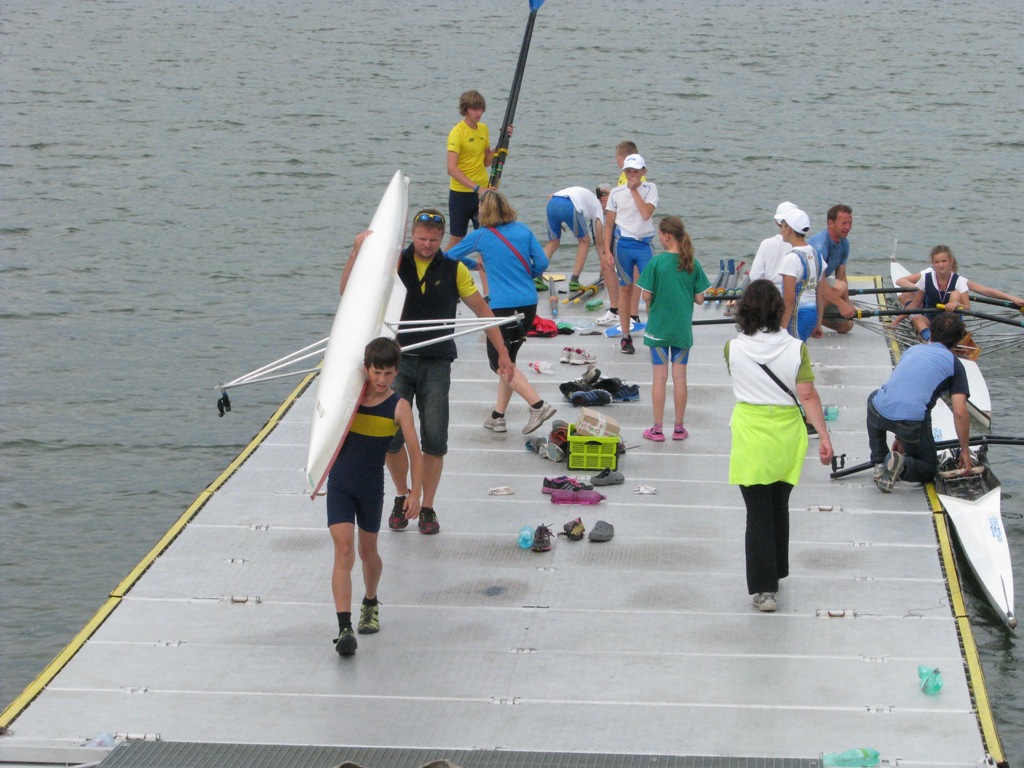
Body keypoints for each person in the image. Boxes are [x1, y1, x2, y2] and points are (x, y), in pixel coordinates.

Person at [343, 212, 515, 537]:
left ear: (442, 238)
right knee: (392, 439)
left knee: (434, 438)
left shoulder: (455, 269)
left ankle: (427, 506)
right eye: (422, 238)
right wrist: (356, 252)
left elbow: (481, 310)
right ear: (412, 234)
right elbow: (350, 291)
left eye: (434, 240)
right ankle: (402, 495)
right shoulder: (394, 263)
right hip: (398, 362)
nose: (427, 245)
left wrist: (502, 351)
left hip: (437, 363)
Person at [724, 280, 833, 613]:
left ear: (744, 311)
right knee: (778, 504)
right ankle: (778, 569)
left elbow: (738, 378)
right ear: (778, 310)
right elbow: (807, 395)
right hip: (787, 434)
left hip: (750, 432)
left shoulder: (732, 348)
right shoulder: (796, 348)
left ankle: (765, 588)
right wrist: (824, 436)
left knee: (757, 511)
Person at [326, 337, 423, 657]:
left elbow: (415, 451)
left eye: (388, 373)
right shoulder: (351, 395)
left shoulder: (399, 406)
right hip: (340, 484)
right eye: (376, 372)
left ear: (396, 372)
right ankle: (344, 628)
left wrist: (415, 493)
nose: (381, 380)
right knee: (344, 551)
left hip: (370, 487)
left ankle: (370, 601)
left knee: (368, 553)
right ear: (366, 369)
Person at [446, 190, 557, 434]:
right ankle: (498, 416)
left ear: (482, 211)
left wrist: (471, 263)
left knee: (499, 363)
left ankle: (538, 405)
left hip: (501, 308)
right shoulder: (523, 230)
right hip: (528, 304)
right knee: (509, 359)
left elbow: (447, 258)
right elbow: (542, 263)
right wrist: (524, 276)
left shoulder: (480, 236)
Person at [867, 312, 973, 493]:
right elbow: (960, 412)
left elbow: (901, 391)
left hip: (878, 410)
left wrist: (899, 437)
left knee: (874, 397)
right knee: (929, 468)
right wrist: (964, 450)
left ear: (931, 333)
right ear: (957, 342)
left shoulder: (912, 350)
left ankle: (879, 460)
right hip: (911, 423)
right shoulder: (955, 365)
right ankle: (902, 465)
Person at [636, 215, 710, 441]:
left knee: (659, 377)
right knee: (680, 378)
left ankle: (657, 428)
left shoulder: (656, 263)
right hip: (681, 330)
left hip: (658, 329)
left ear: (667, 236)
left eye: (659, 234)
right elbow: (700, 299)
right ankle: (679, 427)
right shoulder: (691, 262)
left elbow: (645, 296)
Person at [895, 245, 1024, 341]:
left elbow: (981, 294)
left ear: (951, 261)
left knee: (955, 294)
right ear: (932, 264)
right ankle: (930, 340)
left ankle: (948, 335)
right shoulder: (926, 278)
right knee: (917, 318)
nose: (940, 265)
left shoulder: (959, 281)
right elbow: (913, 305)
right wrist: (896, 321)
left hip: (950, 322)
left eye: (944, 261)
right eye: (937, 262)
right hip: (931, 319)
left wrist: (1012, 298)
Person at [602, 153, 658, 354]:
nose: (632, 175)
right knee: (625, 289)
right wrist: (606, 251)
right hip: (622, 245)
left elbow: (646, 213)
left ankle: (653, 333)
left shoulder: (650, 189)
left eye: (635, 171)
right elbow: (609, 224)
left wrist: (634, 190)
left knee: (650, 290)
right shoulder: (616, 193)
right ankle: (626, 336)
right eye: (628, 171)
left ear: (643, 171)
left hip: (644, 244)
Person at [597, 141, 644, 328]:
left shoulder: (633, 177)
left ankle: (621, 310)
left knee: (610, 264)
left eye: (617, 158)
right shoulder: (625, 177)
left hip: (626, 231)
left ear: (624, 158)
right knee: (624, 269)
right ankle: (625, 312)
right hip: (624, 228)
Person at [543, 185, 609, 291]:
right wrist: (605, 268)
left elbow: (551, 197)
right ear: (604, 200)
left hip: (552, 203)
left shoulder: (586, 196)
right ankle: (574, 281)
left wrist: (559, 219)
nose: (607, 213)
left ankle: (537, 278)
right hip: (570, 204)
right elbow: (599, 240)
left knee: (553, 243)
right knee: (584, 241)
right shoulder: (597, 207)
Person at [775, 207, 826, 342]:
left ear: (789, 229)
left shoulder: (791, 259)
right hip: (812, 315)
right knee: (800, 349)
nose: (781, 230)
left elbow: (789, 298)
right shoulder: (817, 255)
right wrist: (818, 324)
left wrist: (782, 329)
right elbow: (821, 294)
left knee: (792, 351)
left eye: (783, 226)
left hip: (796, 316)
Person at [807, 204, 856, 333]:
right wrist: (841, 304)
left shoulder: (844, 243)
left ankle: (814, 318)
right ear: (831, 223)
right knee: (840, 287)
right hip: (805, 286)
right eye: (844, 223)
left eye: (850, 223)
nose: (848, 227)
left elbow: (841, 276)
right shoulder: (821, 246)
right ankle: (808, 317)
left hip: (818, 287)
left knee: (847, 325)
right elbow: (819, 282)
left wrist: (847, 303)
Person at [749, 201, 798, 289]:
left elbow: (754, 276)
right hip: (794, 291)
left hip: (770, 293)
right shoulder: (801, 245)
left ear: (776, 222)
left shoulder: (766, 244)